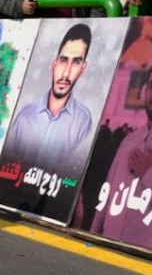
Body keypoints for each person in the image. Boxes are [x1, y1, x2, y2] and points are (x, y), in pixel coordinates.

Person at [6, 23, 94, 174]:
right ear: (53, 65)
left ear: (83, 69)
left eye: (76, 62)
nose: (66, 73)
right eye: (63, 60)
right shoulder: (26, 115)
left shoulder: (83, 121)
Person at [90, 66, 152, 249]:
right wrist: (93, 237)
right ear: (145, 91)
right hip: (107, 246)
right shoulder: (129, 141)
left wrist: (148, 173)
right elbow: (107, 195)